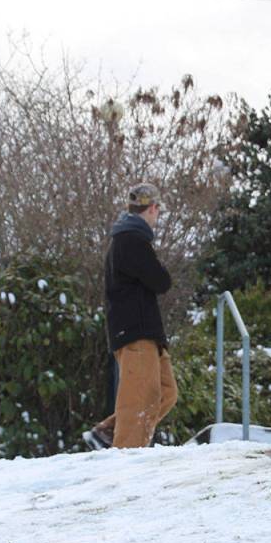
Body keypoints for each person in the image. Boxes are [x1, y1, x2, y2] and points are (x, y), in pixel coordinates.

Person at [83, 183, 177, 450]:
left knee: (165, 392)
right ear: (153, 209)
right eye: (157, 210)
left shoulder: (132, 238)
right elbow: (161, 281)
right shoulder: (131, 239)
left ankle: (107, 432)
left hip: (146, 331)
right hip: (135, 332)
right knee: (138, 399)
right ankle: (124, 456)